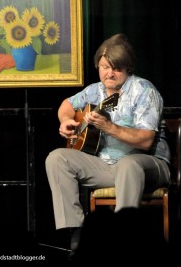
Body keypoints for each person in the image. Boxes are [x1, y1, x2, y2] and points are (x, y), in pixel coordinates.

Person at [45, 33, 171, 256]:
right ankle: (77, 236)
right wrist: (66, 121)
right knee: (57, 158)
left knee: (128, 164)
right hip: (108, 167)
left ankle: (122, 239)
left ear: (128, 68)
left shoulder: (144, 91)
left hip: (149, 165)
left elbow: (145, 140)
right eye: (104, 67)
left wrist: (109, 127)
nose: (109, 73)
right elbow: (66, 105)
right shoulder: (95, 90)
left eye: (116, 68)